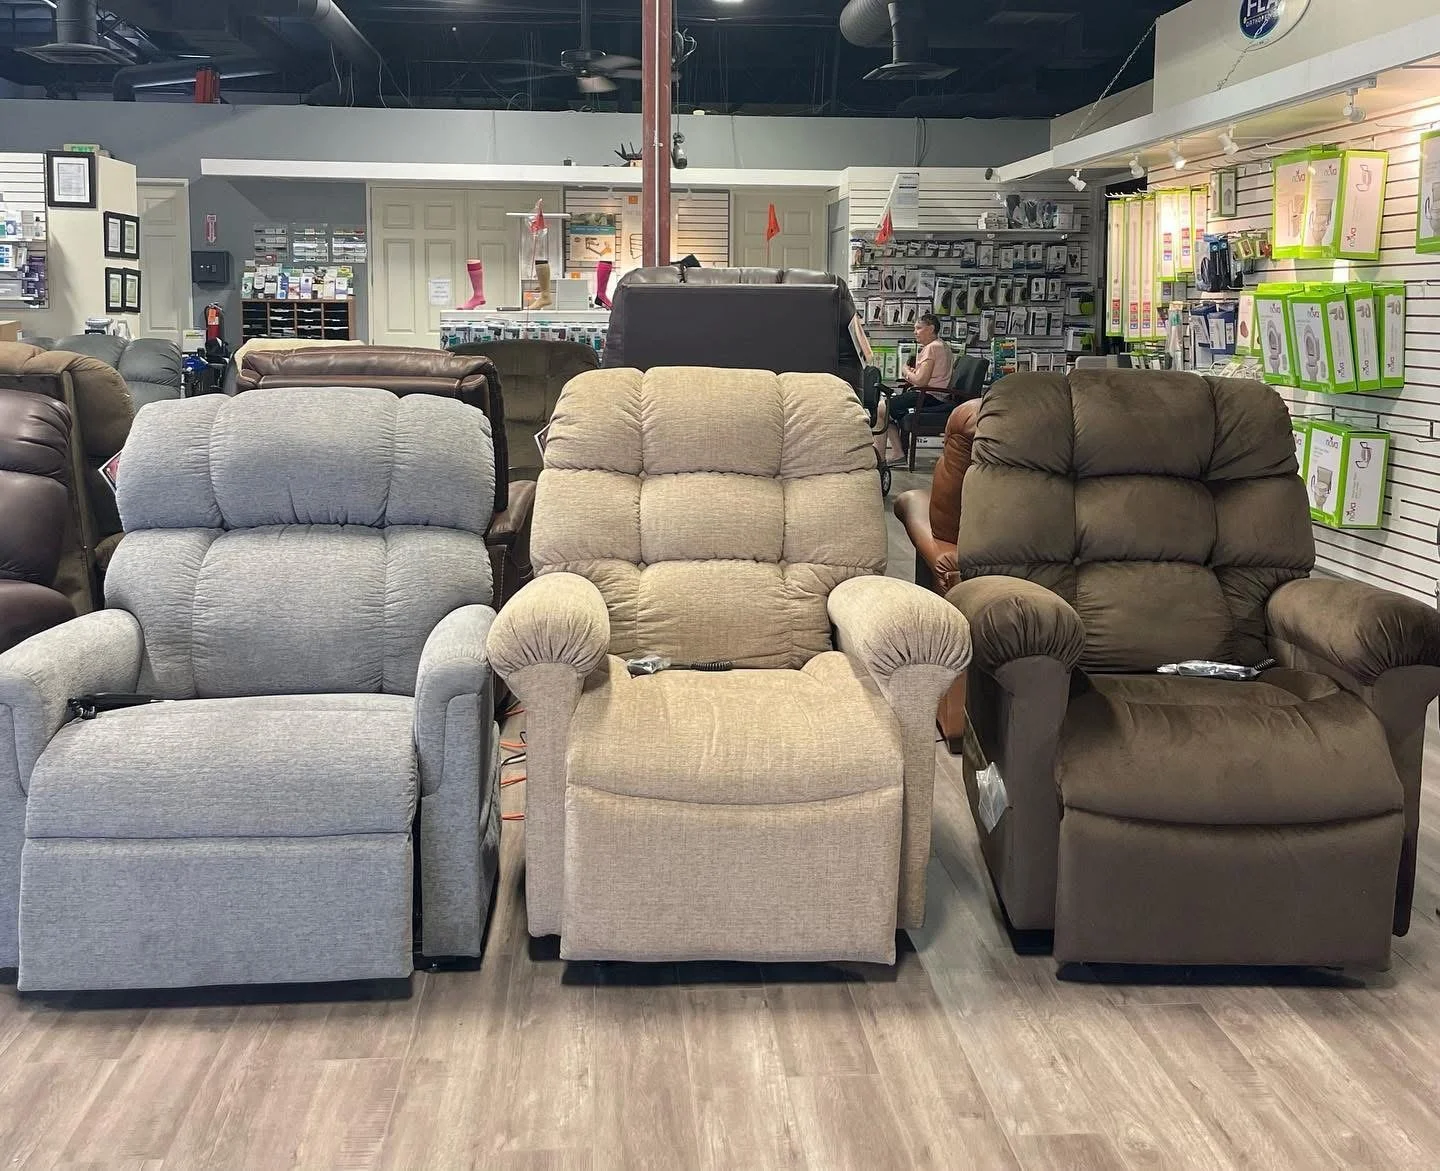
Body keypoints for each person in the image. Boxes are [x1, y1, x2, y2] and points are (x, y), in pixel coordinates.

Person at [878, 312, 955, 466]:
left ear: (931, 329)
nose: (915, 332)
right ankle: (896, 453)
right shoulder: (942, 346)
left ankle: (884, 456)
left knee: (882, 407)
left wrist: (905, 371)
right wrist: (914, 374)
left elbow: (921, 381)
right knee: (886, 410)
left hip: (928, 396)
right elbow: (927, 376)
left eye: (919, 328)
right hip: (932, 395)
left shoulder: (932, 348)